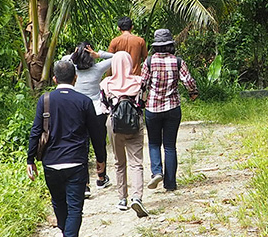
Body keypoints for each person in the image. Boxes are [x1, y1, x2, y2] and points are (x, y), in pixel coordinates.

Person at [28, 59, 108, 237]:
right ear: (75, 78)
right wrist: (101, 160)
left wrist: (30, 159)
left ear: (54, 79)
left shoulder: (45, 100)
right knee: (75, 207)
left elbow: (36, 131)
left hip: (51, 163)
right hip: (75, 163)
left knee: (58, 202)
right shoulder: (84, 101)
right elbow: (96, 135)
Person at [139, 28, 197, 193]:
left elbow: (142, 85)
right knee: (170, 146)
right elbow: (188, 81)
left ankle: (157, 172)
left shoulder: (149, 62)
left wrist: (142, 101)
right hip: (172, 108)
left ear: (155, 46)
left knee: (154, 143)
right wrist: (193, 93)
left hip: (152, 108)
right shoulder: (178, 62)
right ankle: (170, 183)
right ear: (170, 44)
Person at [101, 50, 149, 217]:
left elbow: (104, 107)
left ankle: (122, 199)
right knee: (136, 162)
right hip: (135, 123)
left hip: (114, 125)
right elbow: (143, 102)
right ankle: (137, 197)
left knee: (119, 162)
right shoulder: (139, 82)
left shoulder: (106, 84)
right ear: (130, 64)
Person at [71, 41, 114, 190]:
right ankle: (101, 178)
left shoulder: (72, 68)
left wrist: (75, 54)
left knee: (81, 147)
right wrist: (99, 54)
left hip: (78, 112)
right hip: (97, 111)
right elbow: (119, 57)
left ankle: (85, 185)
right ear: (91, 54)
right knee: (99, 145)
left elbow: (61, 61)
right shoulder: (98, 68)